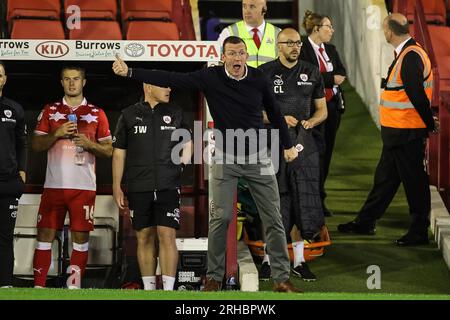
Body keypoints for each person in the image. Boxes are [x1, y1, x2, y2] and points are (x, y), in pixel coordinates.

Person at [112, 36, 301, 293]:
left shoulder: (258, 79)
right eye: (232, 53)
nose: (237, 58)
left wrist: (288, 146)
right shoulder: (210, 77)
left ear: (247, 56)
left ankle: (281, 279)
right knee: (219, 218)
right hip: (225, 157)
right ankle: (213, 278)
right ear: (223, 56)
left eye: (241, 53)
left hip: (258, 157)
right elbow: (169, 77)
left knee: (273, 218)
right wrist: (131, 71)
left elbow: (276, 114)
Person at [338, 13, 437, 246]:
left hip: (406, 132)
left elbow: (415, 94)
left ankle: (419, 231)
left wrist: (429, 123)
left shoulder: (410, 56)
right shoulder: (409, 53)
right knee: (385, 180)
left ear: (389, 32)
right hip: (399, 132)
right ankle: (366, 220)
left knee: (414, 182)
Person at [32, 66, 112, 288]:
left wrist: (89, 144)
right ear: (61, 82)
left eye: (76, 79)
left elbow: (109, 150)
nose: (71, 83)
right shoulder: (50, 110)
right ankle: (39, 287)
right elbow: (36, 145)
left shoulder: (97, 113)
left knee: (80, 239)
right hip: (54, 185)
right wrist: (56, 134)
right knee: (45, 235)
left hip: (83, 187)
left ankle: (73, 287)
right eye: (67, 79)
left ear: (84, 82)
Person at [258, 28, 328, 282]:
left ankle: (299, 261)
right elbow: (256, 112)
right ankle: (268, 259)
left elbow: (322, 110)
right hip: (272, 144)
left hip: (302, 145)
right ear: (278, 46)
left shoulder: (311, 71)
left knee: (302, 199)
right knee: (273, 200)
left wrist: (311, 122)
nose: (295, 47)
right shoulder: (265, 73)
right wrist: (278, 119)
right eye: (289, 43)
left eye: (298, 43)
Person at [112, 83, 193, 291]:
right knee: (144, 237)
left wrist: (182, 162)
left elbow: (189, 141)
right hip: (139, 186)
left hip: (168, 185)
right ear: (148, 87)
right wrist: (116, 185)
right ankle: (149, 291)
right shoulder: (128, 114)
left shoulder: (176, 112)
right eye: (163, 86)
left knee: (167, 236)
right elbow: (119, 152)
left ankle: (168, 290)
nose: (169, 89)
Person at [300, 11, 347, 217]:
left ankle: (320, 195)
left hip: (332, 108)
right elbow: (306, 75)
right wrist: (329, 78)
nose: (332, 30)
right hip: (311, 110)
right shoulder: (302, 48)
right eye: (328, 26)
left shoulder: (331, 49)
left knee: (326, 153)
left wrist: (328, 78)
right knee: (313, 154)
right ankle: (310, 198)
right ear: (317, 29)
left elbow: (342, 73)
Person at [0, 61, 27, 288]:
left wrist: (22, 171)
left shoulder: (14, 109)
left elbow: (21, 144)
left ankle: (5, 284)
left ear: (5, 79)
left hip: (9, 183)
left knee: (5, 236)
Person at [217, 0, 280, 68]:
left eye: (252, 7)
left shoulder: (278, 34)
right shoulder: (228, 32)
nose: (246, 11)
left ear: (264, 9)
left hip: (270, 78)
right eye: (244, 6)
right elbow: (218, 64)